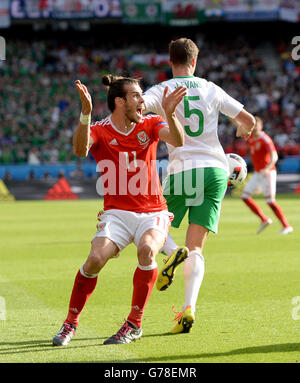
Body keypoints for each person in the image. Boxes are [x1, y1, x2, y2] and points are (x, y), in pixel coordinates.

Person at [52, 75, 187, 346]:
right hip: (117, 213)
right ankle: (70, 323)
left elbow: (177, 139)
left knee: (147, 250)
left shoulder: (150, 123)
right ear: (119, 101)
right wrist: (85, 115)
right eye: (137, 96)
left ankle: (134, 324)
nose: (142, 101)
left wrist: (170, 114)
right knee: (95, 259)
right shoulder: (100, 130)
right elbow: (80, 150)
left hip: (153, 211)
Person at [142, 37, 256, 334]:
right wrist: (243, 131)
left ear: (171, 61)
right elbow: (248, 120)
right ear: (196, 60)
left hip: (182, 169)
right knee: (197, 249)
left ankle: (170, 255)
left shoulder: (161, 89)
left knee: (147, 224)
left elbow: (136, 110)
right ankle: (187, 309)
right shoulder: (210, 88)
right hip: (217, 171)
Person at [241, 116, 293, 235]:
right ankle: (264, 219)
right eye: (253, 126)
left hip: (268, 172)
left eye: (256, 126)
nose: (254, 129)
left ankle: (286, 225)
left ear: (261, 126)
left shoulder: (265, 139)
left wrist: (267, 168)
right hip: (258, 173)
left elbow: (274, 156)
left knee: (270, 201)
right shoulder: (250, 139)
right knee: (245, 196)